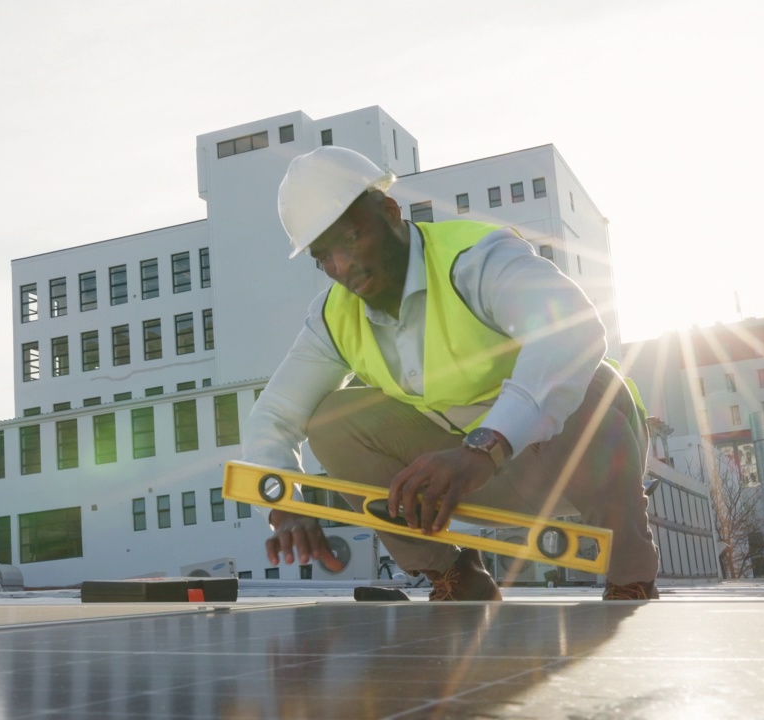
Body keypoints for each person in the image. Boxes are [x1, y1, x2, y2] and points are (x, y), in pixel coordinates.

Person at [241, 146, 659, 601]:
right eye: (323, 257)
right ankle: (455, 575)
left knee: (590, 383)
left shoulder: (475, 258)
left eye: (350, 240)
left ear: (390, 211)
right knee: (330, 420)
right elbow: (273, 417)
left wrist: (484, 449)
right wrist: (284, 507)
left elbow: (572, 331)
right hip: (470, 481)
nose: (341, 268)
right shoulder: (333, 318)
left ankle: (629, 579)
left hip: (576, 459)